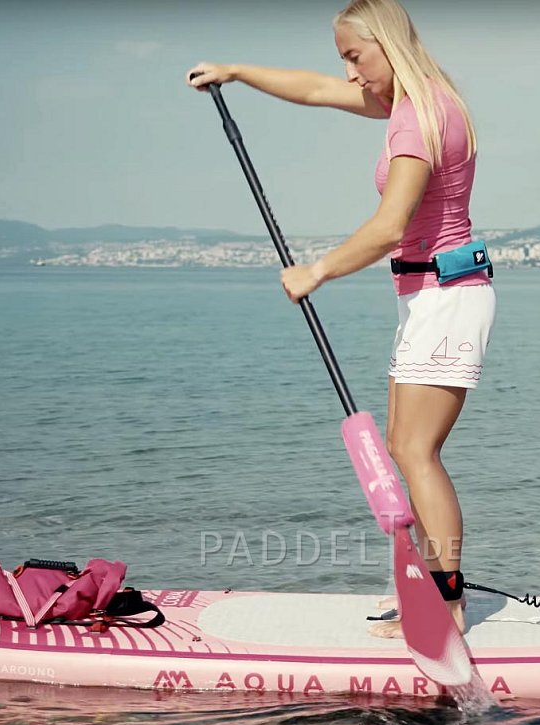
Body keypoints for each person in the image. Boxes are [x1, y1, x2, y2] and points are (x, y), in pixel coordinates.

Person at [188, 0, 493, 639]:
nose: (350, 74)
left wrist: (316, 271)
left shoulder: (420, 118)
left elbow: (388, 228)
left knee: (416, 451)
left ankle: (447, 604)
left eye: (356, 56)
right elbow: (317, 91)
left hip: (446, 295)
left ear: (386, 44)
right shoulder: (417, 102)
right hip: (430, 296)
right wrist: (236, 71)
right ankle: (430, 594)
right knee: (404, 450)